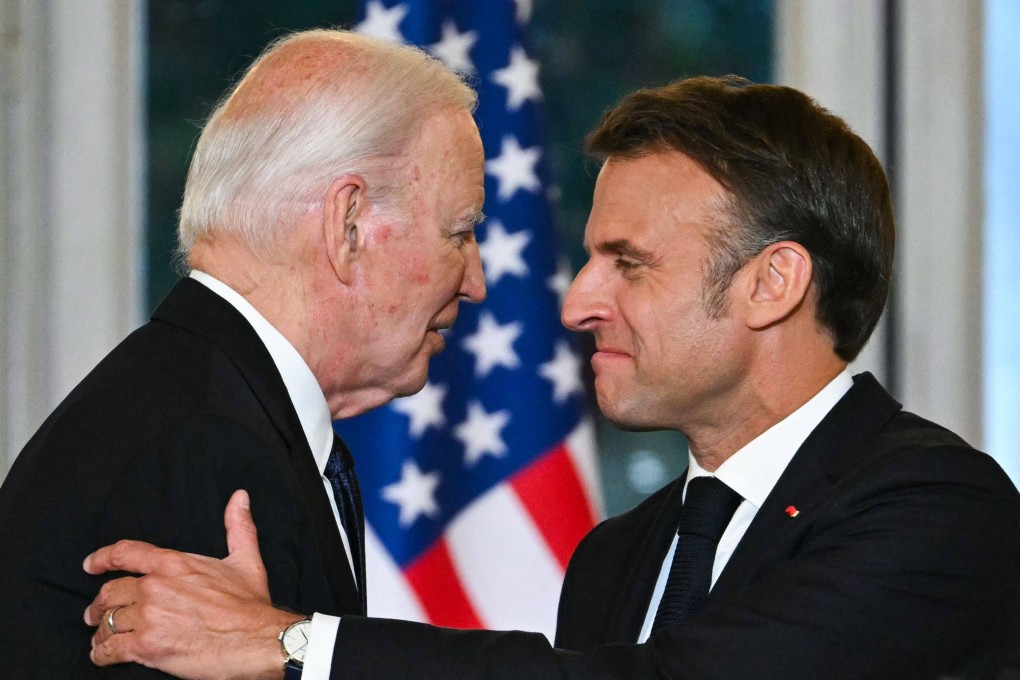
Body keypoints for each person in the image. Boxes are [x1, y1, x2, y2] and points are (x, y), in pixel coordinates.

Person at [83, 77, 1019, 679]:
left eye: (629, 262)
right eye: (588, 259)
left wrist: (290, 644)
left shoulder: (937, 509)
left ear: (771, 283)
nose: (577, 303)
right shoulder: (618, 556)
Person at [0, 29, 486, 678]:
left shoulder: (206, 405)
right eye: (460, 233)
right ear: (348, 227)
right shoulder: (205, 452)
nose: (476, 280)